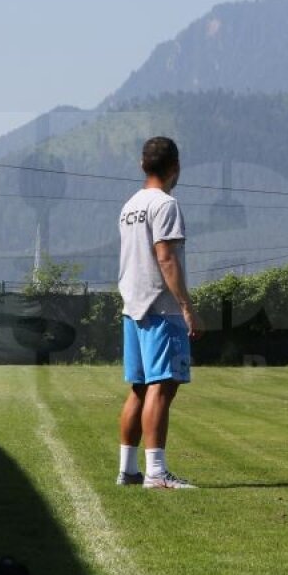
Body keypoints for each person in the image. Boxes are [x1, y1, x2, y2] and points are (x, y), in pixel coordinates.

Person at [115, 136, 202, 489]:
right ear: (175, 167)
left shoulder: (130, 205)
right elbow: (165, 257)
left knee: (139, 388)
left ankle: (128, 470)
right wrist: (187, 307)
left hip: (132, 307)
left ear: (142, 165)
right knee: (162, 387)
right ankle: (156, 472)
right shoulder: (165, 204)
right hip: (161, 308)